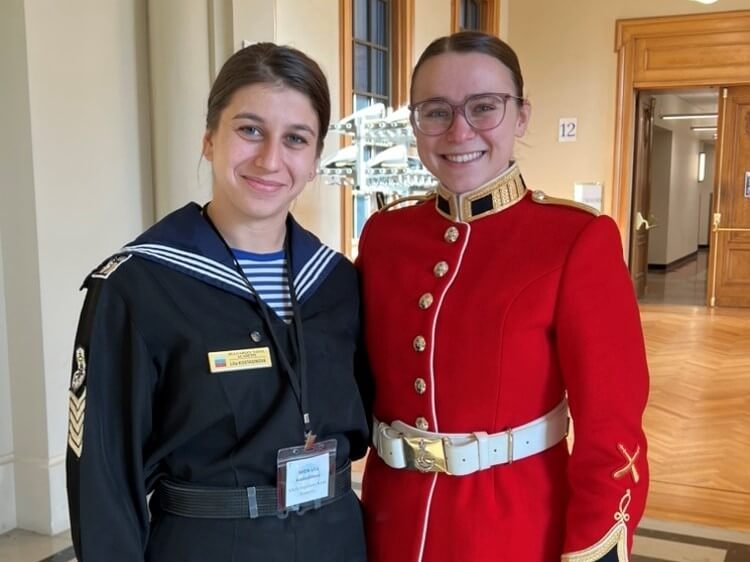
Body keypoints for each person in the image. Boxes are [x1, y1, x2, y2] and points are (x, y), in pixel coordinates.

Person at [65, 42, 369, 562]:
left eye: (295, 139)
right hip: (210, 544)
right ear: (209, 139)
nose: (270, 159)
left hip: (336, 538)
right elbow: (103, 478)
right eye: (249, 130)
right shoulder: (139, 287)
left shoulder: (337, 282)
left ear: (315, 160)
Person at [356, 31, 649, 562]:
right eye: (436, 111)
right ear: (415, 123)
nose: (459, 130)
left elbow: (612, 431)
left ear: (521, 117)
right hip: (390, 522)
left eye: (484, 107)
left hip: (512, 528)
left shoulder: (575, 240)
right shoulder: (384, 237)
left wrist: (594, 551)